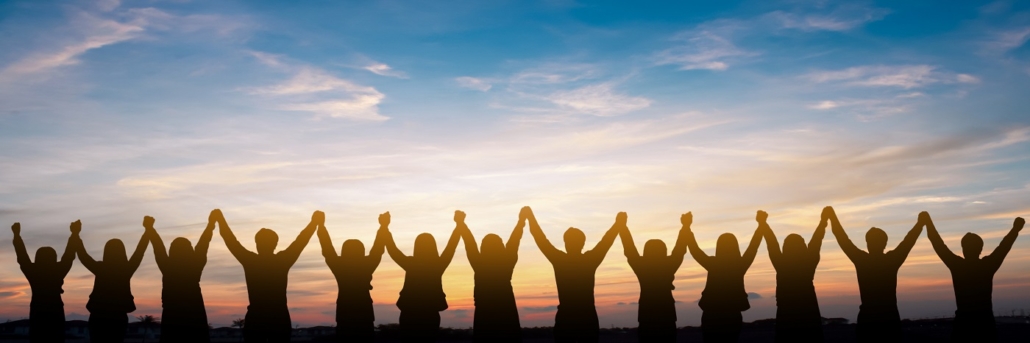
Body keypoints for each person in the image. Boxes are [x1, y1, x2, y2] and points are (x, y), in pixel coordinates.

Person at [219, 210, 322, 343]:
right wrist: (313, 223)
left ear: (257, 244)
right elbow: (301, 241)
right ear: (275, 244)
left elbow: (230, 240)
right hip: (278, 318)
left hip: (257, 318)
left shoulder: (250, 261)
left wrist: (220, 221)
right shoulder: (282, 260)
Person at [925, 212, 1023, 342]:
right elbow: (1004, 246)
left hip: (964, 326)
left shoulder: (957, 266)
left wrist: (928, 223)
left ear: (963, 249)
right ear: (980, 248)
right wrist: (1015, 229)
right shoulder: (987, 265)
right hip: (985, 326)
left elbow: (937, 243)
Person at [527, 207, 621, 343]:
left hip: (566, 319)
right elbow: (606, 241)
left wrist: (530, 217)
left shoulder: (560, 260)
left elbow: (540, 239)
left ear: (565, 243)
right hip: (587, 319)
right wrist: (618, 224)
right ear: (583, 243)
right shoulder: (590, 260)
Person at [830, 208, 922, 343]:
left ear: (867, 243)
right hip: (889, 320)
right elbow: (909, 240)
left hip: (868, 320)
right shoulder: (891, 260)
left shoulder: (862, 260)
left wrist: (832, 217)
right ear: (885, 243)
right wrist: (920, 224)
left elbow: (842, 238)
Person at [684, 211, 764, 343]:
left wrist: (687, 227)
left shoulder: (713, 263)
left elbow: (694, 250)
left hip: (711, 315)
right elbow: (753, 247)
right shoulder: (740, 265)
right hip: (732, 316)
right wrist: (761, 225)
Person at [383, 210, 463, 342]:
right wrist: (459, 225)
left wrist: (385, 228)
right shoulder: (438, 265)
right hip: (430, 313)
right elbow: (451, 246)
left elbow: (392, 250)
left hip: (409, 313)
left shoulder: (411, 263)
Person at [74, 218, 152, 343]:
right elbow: (139, 252)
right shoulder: (126, 269)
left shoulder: (101, 268)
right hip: (118, 316)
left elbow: (83, 256)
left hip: (98, 316)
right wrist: (148, 231)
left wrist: (75, 235)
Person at [617, 212, 691, 342]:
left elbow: (629, 249)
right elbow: (680, 249)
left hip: (647, 316)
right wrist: (685, 227)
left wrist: (623, 227)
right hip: (666, 317)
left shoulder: (642, 267)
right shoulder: (668, 265)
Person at [316, 211, 389, 342]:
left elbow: (327, 248)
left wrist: (321, 226)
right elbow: (378, 249)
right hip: (364, 313)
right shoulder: (367, 265)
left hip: (345, 313)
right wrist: (383, 227)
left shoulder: (339, 266)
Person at [456, 207, 526, 342]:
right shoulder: (506, 262)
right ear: (501, 247)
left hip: (484, 314)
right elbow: (515, 240)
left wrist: (461, 223)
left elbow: (469, 242)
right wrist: (521, 221)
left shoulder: (479, 264)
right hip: (507, 312)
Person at [146, 211, 216, 343]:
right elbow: (203, 244)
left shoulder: (168, 267)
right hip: (195, 315)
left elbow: (158, 247)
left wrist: (150, 229)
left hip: (172, 316)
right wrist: (210, 225)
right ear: (190, 251)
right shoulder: (195, 266)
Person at [761, 208, 827, 343]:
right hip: (810, 316)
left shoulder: (781, 264)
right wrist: (823, 221)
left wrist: (763, 224)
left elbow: (771, 243)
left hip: (786, 317)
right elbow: (816, 241)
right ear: (803, 247)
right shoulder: (808, 263)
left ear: (785, 248)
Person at [12, 221, 78, 343]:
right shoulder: (58, 270)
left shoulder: (33, 272)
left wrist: (16, 235)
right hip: (56, 311)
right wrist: (74, 234)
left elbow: (22, 256)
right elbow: (68, 256)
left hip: (38, 312)